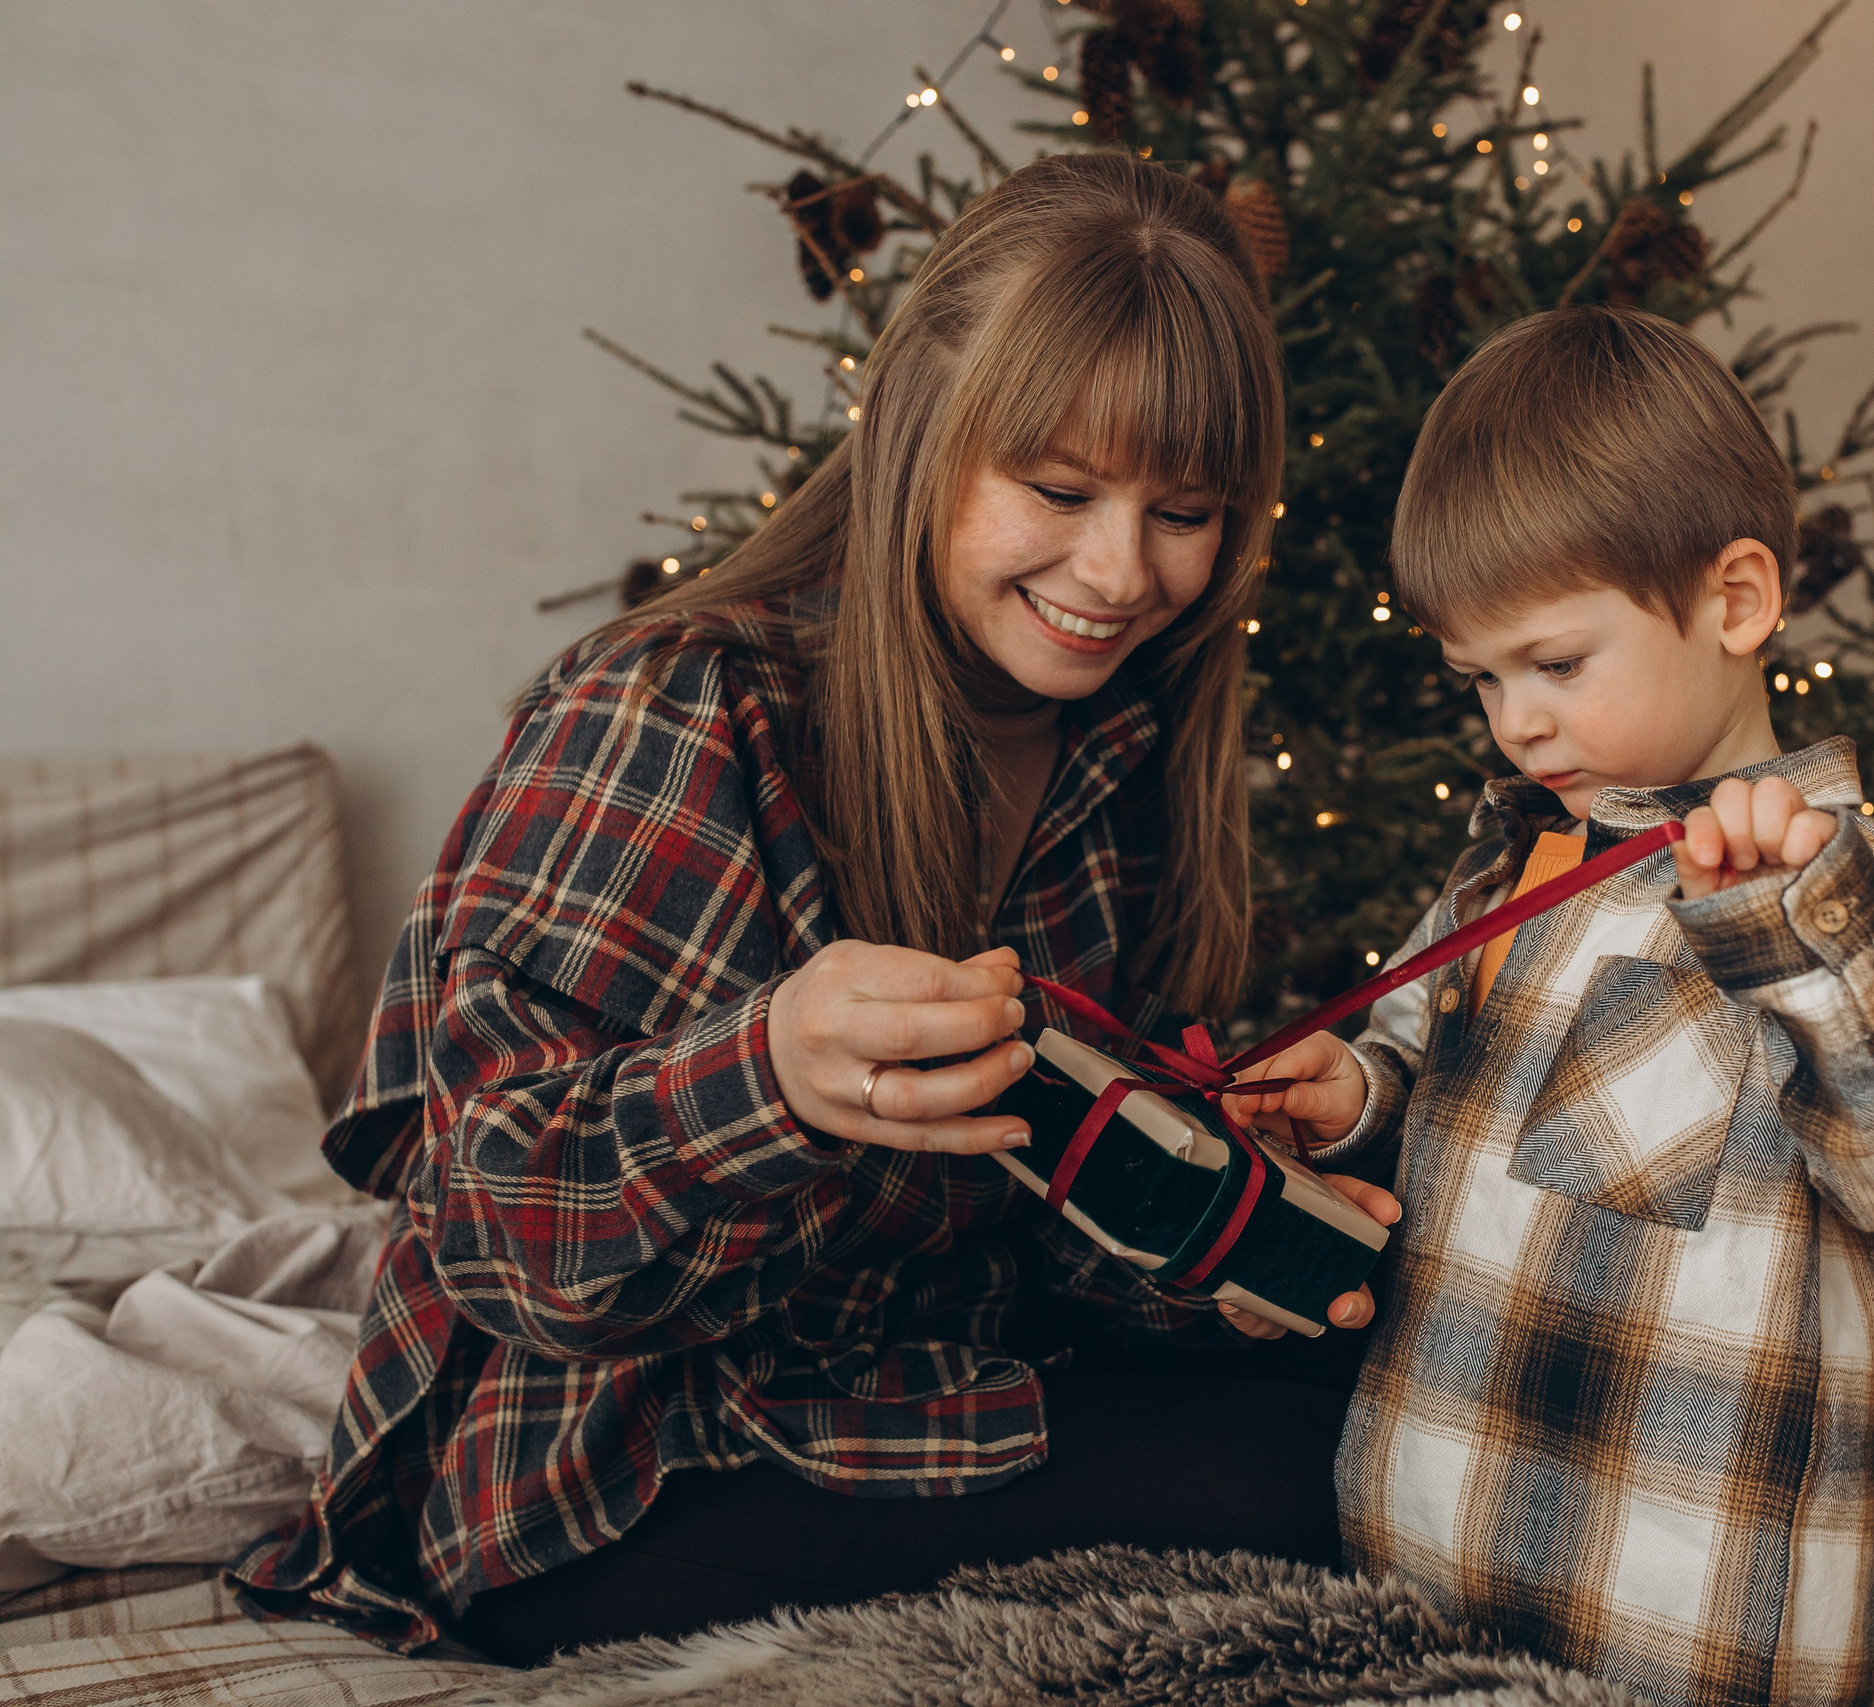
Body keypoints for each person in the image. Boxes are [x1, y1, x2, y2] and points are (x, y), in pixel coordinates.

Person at [227, 152, 1397, 1664]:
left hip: (906, 1387)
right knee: (1340, 1484)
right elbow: (495, 1233)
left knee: (1389, 1403)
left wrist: (1223, 1255)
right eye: (1058, 490)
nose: (1121, 572)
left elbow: (1031, 1232)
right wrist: (767, 1077)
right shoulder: (678, 708)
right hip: (606, 1474)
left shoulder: (1124, 746)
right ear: (923, 433)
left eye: (1186, 512)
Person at [1221, 306, 1874, 1707]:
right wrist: (1357, 1096)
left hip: (1685, 1612)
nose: (1516, 721)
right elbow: (1430, 1069)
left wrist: (1790, 934)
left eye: (1556, 665)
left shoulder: (1852, 880)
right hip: (1430, 1539)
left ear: (1737, 602)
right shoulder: (1519, 857)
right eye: (1481, 679)